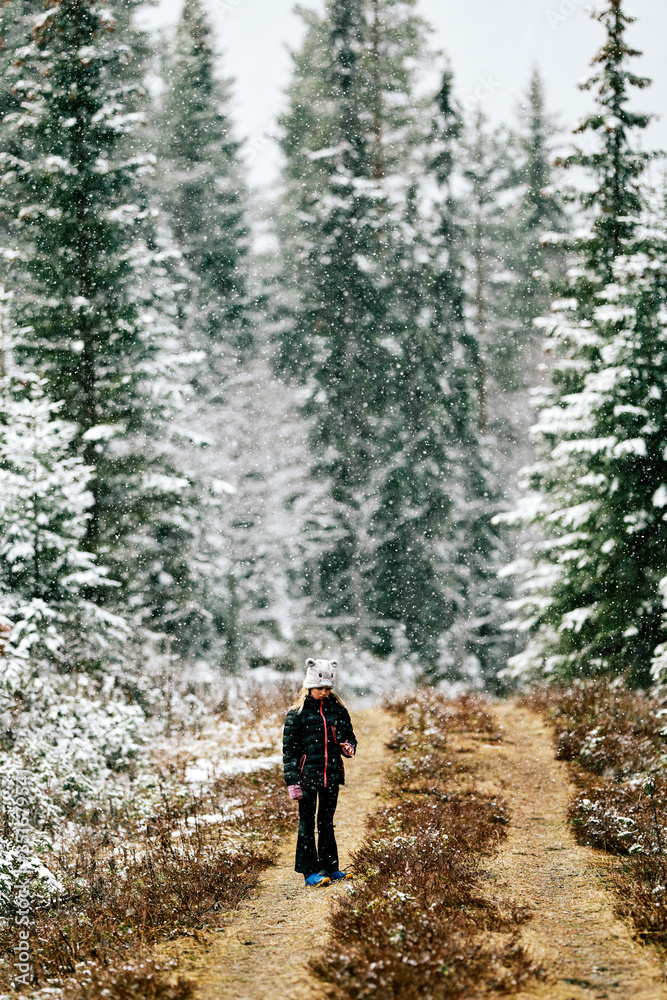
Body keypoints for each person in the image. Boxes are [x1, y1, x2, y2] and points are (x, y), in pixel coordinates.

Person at [283, 658, 357, 888]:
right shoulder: (297, 715)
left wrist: (348, 746)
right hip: (306, 778)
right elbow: (289, 752)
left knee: (326, 822)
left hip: (331, 776)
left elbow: (349, 736)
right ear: (309, 686)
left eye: (328, 688)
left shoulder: (338, 711)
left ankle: (330, 867)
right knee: (307, 823)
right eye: (320, 688)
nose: (324, 692)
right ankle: (309, 872)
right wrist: (292, 781)